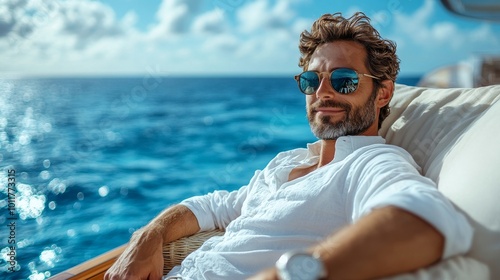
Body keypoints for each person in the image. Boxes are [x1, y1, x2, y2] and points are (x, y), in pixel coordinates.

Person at [105, 12, 472, 280]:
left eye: (344, 80)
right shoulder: (287, 162)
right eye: (312, 79)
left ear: (383, 93)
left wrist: (287, 275)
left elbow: (424, 220)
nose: (323, 92)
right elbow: (213, 207)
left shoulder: (371, 161)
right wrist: (147, 236)